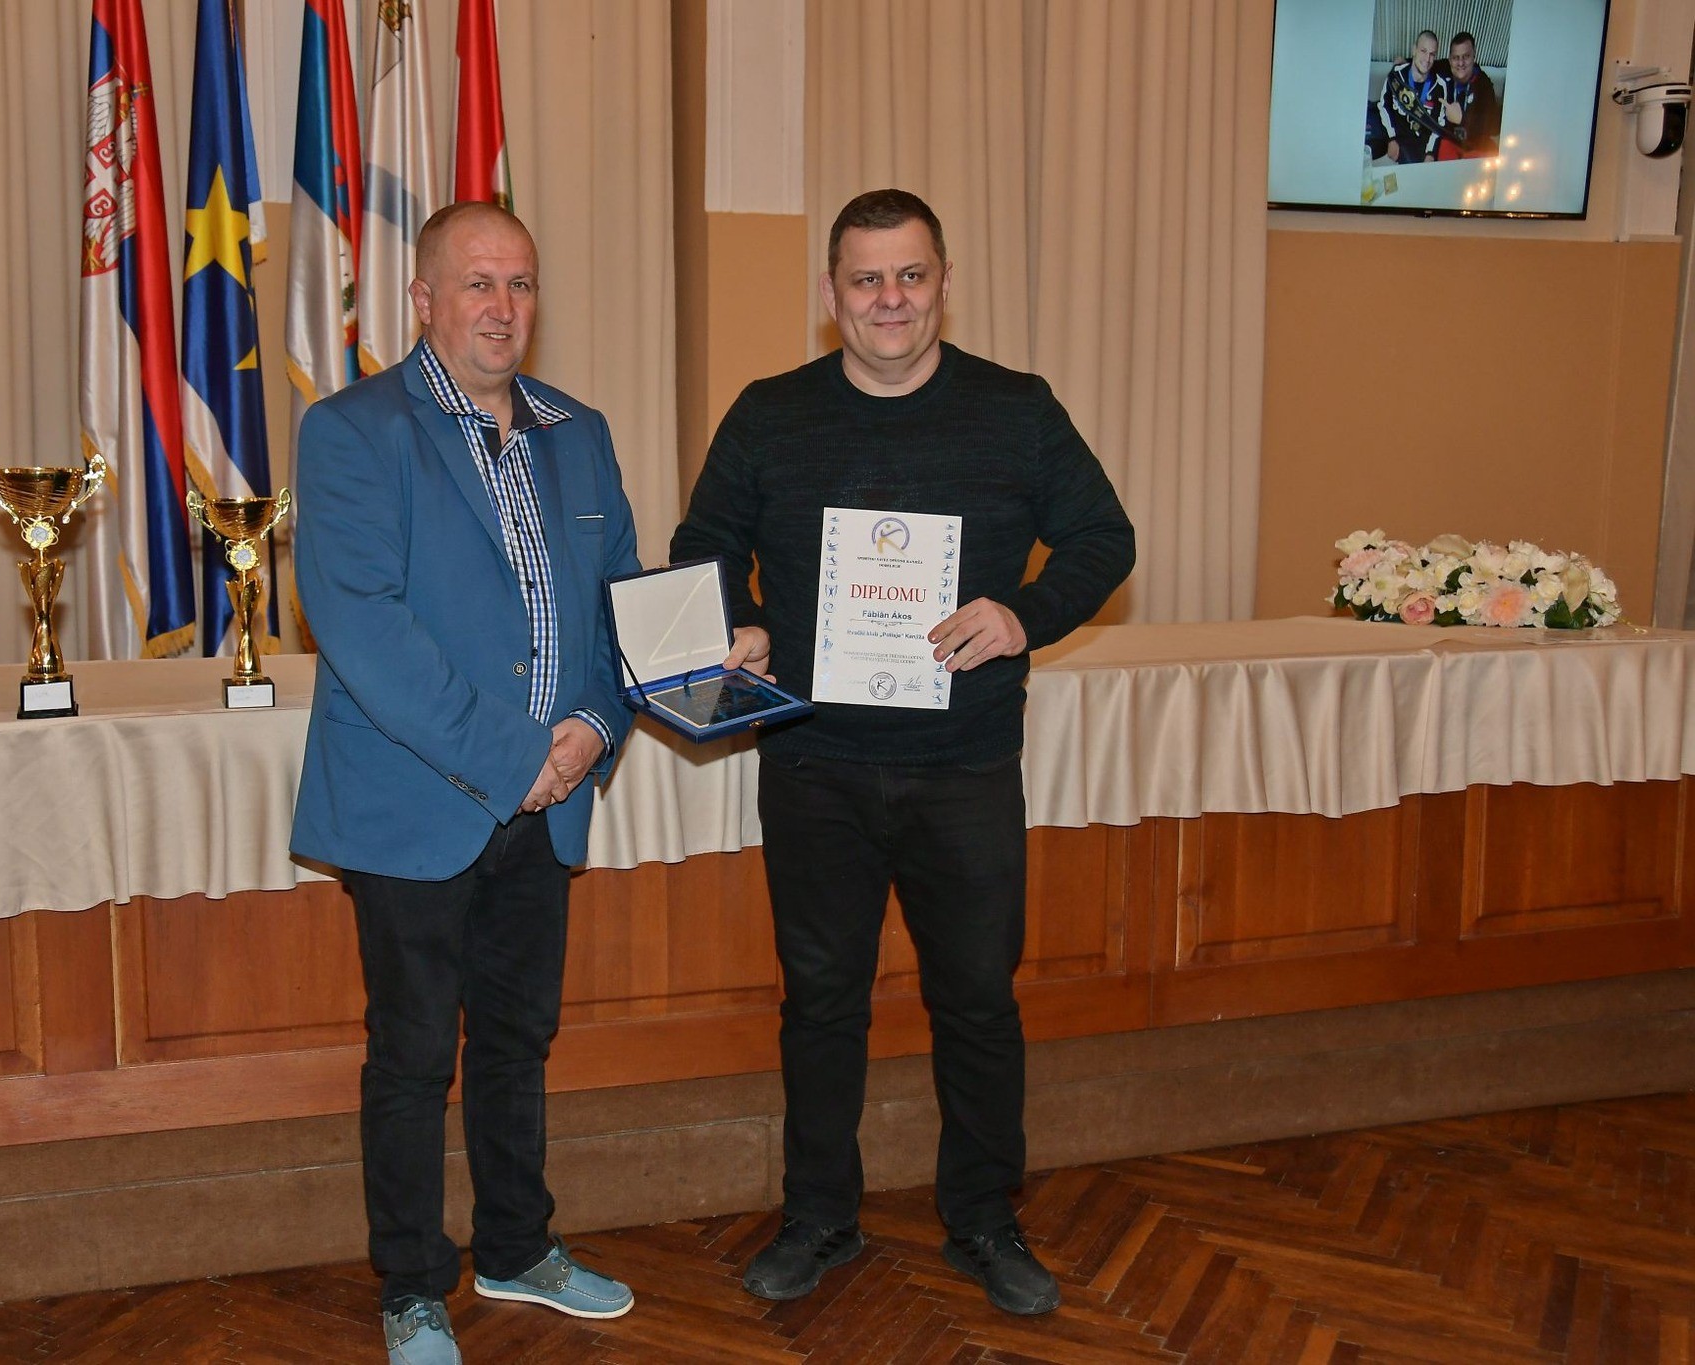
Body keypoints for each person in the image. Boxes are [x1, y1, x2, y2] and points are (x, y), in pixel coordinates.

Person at [669, 189, 1134, 1318]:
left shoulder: (1016, 409)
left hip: (963, 766)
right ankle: (818, 1216)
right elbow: (703, 541)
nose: (890, 299)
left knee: (976, 1001)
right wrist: (741, 618)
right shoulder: (771, 413)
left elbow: (1102, 537)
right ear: (832, 296)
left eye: (910, 275)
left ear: (942, 283)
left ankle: (982, 1218)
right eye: (866, 278)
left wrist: (1023, 615)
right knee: (821, 1003)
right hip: (813, 765)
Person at [292, 201, 641, 1365]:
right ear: (423, 300)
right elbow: (365, 627)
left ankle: (516, 1248)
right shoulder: (352, 430)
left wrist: (593, 725)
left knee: (515, 1039)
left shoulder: (578, 432)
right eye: (477, 284)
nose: (502, 307)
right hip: (418, 803)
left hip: (549, 799)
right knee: (410, 1056)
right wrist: (514, 759)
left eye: (520, 284)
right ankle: (410, 1286)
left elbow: (618, 606)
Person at [1375, 29, 1451, 164]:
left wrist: (1430, 153)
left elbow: (1439, 125)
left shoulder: (1440, 86)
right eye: (1423, 51)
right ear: (1414, 50)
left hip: (1423, 150)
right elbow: (1384, 106)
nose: (1427, 59)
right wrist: (1391, 138)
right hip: (1398, 144)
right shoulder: (1396, 75)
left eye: (1432, 54)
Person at [1438, 31, 1503, 160]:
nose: (1460, 63)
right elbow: (1424, 63)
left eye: (1466, 56)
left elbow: (1494, 126)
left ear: (1474, 56)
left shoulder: (1484, 84)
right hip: (1449, 141)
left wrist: (1463, 118)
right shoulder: (1443, 68)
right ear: (1450, 59)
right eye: (1456, 57)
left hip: (1475, 144)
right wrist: (1404, 61)